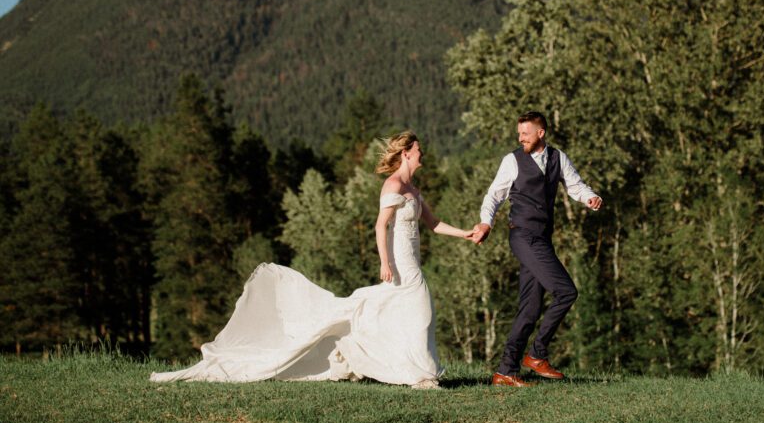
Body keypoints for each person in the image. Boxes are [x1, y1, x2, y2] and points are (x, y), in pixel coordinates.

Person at [150, 131, 474, 388]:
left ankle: (408, 369)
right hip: (401, 264)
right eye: (418, 150)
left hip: (412, 261)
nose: (422, 154)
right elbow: (380, 225)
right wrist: (384, 262)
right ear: (406, 153)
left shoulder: (413, 189)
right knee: (421, 311)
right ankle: (418, 374)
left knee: (404, 314)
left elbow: (433, 224)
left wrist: (467, 234)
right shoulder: (393, 185)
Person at [471, 112, 602, 387]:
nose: (520, 139)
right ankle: (537, 355)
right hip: (522, 236)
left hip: (542, 238)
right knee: (566, 291)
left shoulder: (558, 157)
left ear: (541, 133)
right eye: (519, 134)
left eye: (525, 134)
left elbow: (575, 185)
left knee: (530, 309)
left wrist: (589, 197)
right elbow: (494, 195)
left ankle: (506, 370)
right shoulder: (512, 161)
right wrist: (486, 223)